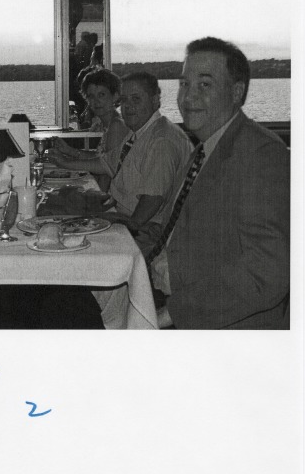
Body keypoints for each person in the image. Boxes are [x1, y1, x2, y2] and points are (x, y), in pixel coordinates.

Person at [147, 37, 289, 329]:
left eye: (205, 85)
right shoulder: (203, 150)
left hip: (221, 324)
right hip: (168, 294)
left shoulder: (261, 155)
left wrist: (169, 315)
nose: (188, 97)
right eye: (184, 84)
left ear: (237, 92)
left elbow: (265, 273)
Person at [49, 71, 192, 235]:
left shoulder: (161, 141)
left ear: (155, 101)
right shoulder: (139, 132)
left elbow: (151, 202)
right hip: (120, 212)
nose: (128, 106)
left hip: (146, 232)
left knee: (61, 223)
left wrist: (114, 221)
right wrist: (64, 161)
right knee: (55, 210)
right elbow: (105, 163)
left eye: (136, 99)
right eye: (124, 100)